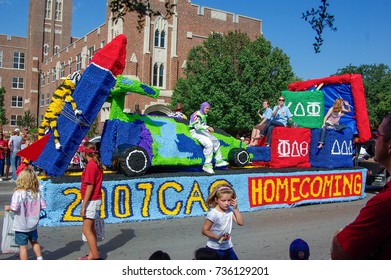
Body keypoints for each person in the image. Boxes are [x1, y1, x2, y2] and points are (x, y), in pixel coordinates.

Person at [330, 113, 391, 259]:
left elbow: (342, 252)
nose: (374, 140)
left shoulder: (384, 203)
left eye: (378, 135)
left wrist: (338, 235)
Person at [4, 168, 46, 260]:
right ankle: (39, 258)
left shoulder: (18, 193)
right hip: (33, 224)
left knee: (23, 247)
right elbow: (43, 206)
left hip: (21, 225)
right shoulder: (37, 192)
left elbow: (14, 208)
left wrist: (8, 208)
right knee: (34, 242)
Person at [202, 183, 244, 259]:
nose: (227, 203)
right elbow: (205, 231)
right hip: (213, 248)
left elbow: (240, 223)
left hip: (227, 247)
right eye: (223, 200)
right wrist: (217, 237)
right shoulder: (213, 214)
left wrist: (235, 208)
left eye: (229, 200)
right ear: (216, 200)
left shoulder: (230, 210)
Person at [78, 142, 104, 260]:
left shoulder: (91, 166)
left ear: (85, 152)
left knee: (86, 228)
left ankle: (95, 256)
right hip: (94, 199)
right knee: (91, 228)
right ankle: (93, 253)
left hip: (91, 200)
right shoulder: (95, 164)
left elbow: (90, 186)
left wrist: (83, 206)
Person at [189, 102, 228, 174]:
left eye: (209, 109)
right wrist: (208, 128)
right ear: (203, 107)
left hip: (201, 131)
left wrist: (206, 130)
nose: (208, 110)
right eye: (207, 108)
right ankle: (207, 165)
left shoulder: (204, 115)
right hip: (195, 132)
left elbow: (202, 125)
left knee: (215, 141)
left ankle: (219, 161)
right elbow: (197, 126)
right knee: (209, 144)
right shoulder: (197, 115)